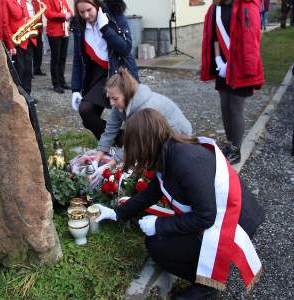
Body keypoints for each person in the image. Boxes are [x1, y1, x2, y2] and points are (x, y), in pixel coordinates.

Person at [95, 108, 264, 299]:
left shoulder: (185, 161)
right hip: (213, 216)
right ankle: (203, 276)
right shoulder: (167, 150)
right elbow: (151, 192)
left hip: (233, 223)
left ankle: (207, 285)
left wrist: (159, 224)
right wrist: (116, 213)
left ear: (144, 142)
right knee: (156, 244)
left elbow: (206, 217)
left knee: (159, 246)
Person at [90, 68, 192, 184]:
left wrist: (108, 166)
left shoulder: (144, 109)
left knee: (161, 166)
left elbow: (134, 144)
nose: (111, 103)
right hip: (156, 133)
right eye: (109, 98)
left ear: (127, 94)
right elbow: (110, 131)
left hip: (177, 134)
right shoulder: (118, 105)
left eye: (115, 98)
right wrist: (96, 160)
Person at [201, 0, 264, 165]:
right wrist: (218, 61)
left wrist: (236, 65)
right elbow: (213, 36)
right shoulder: (216, 7)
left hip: (240, 67)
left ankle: (236, 150)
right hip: (222, 66)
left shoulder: (247, 6)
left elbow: (250, 40)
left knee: (235, 108)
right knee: (225, 106)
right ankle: (230, 145)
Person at [71, 0, 138, 141]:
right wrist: (75, 89)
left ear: (96, 5)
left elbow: (125, 48)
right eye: (82, 12)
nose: (86, 15)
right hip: (98, 73)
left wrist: (105, 29)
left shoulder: (115, 15)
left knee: (130, 115)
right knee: (86, 112)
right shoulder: (79, 25)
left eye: (89, 10)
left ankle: (139, 143)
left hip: (120, 71)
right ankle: (121, 141)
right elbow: (78, 59)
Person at [6, 0, 37, 94]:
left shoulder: (23, 1)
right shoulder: (7, 2)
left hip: (28, 39)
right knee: (19, 70)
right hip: (17, 42)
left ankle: (28, 93)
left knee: (28, 69)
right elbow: (5, 24)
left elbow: (26, 17)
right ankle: (20, 95)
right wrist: (10, 44)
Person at [44, 0, 72, 93]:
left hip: (65, 31)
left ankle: (62, 81)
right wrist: (64, 16)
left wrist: (69, 14)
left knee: (63, 58)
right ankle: (56, 84)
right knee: (55, 59)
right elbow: (48, 14)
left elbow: (69, 11)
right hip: (54, 32)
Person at [32, 0, 45, 77]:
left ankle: (37, 69)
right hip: (31, 29)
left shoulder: (37, 2)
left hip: (38, 29)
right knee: (32, 51)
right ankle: (32, 70)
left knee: (39, 50)